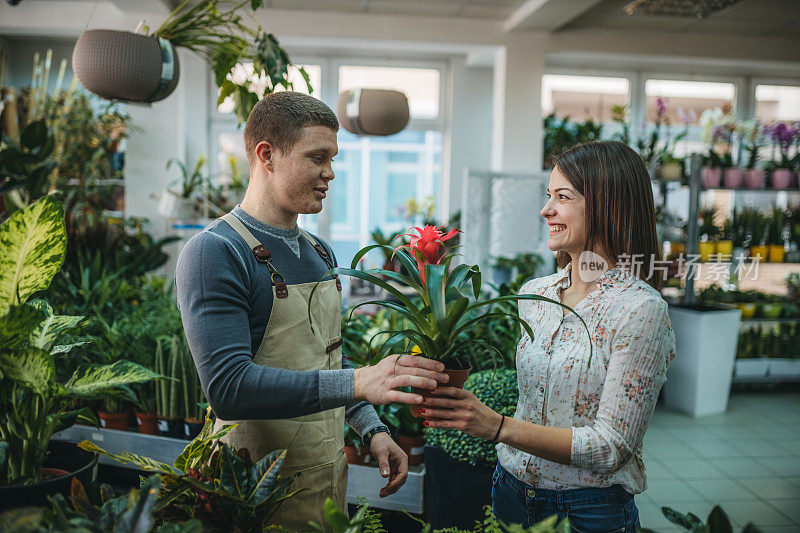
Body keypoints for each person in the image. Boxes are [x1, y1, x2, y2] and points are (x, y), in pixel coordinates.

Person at [175, 91, 448, 530]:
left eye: (333, 158)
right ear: (267, 155)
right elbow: (228, 388)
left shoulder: (318, 251)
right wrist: (362, 382)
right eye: (317, 157)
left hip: (325, 479)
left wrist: (372, 428)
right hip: (251, 492)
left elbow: (326, 356)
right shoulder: (216, 252)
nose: (330, 173)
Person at [418, 141, 676, 532]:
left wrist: (497, 426)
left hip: (589, 510)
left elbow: (610, 448)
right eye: (548, 195)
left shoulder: (640, 310)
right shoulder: (536, 294)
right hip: (509, 491)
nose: (546, 209)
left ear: (608, 206)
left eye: (563, 197)